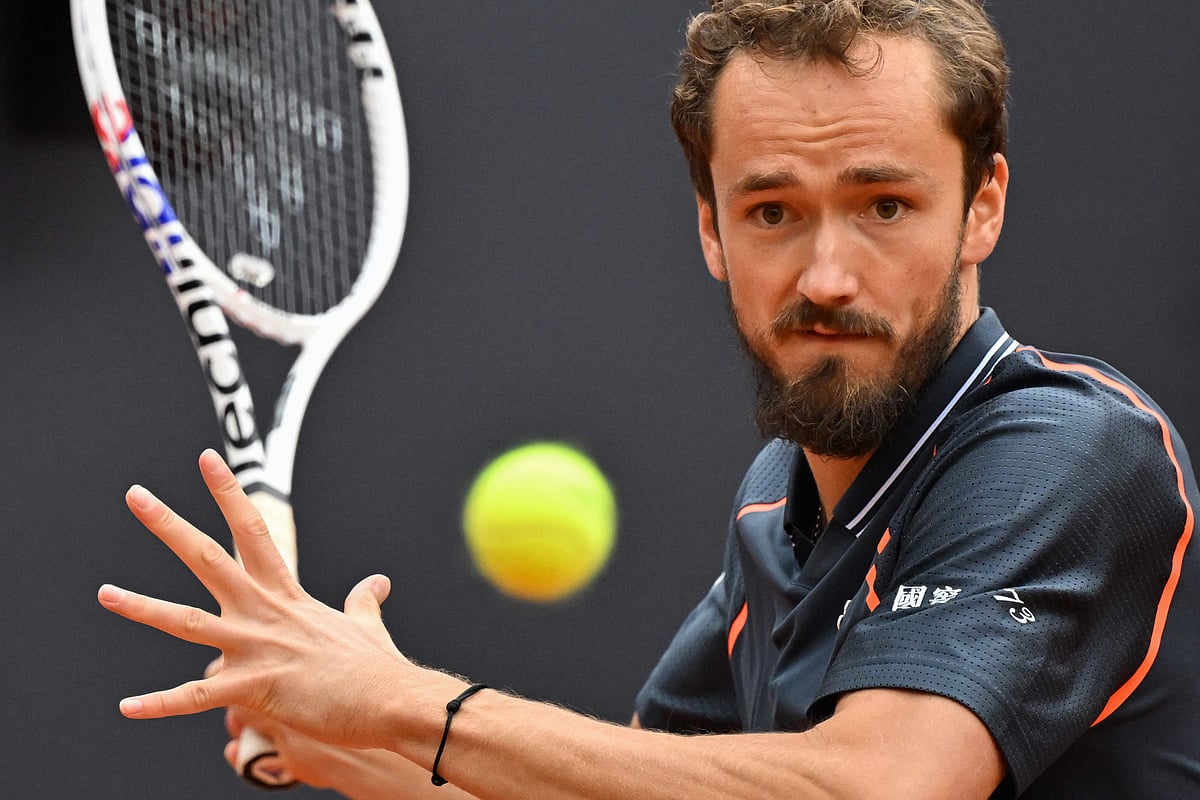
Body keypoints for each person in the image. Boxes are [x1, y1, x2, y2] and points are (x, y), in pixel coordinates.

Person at [97, 1, 1200, 798]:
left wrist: (406, 705)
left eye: (884, 204)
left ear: (982, 206)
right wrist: (335, 725)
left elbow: (878, 788)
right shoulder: (778, 505)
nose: (826, 275)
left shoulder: (1073, 447)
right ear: (711, 230)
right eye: (772, 211)